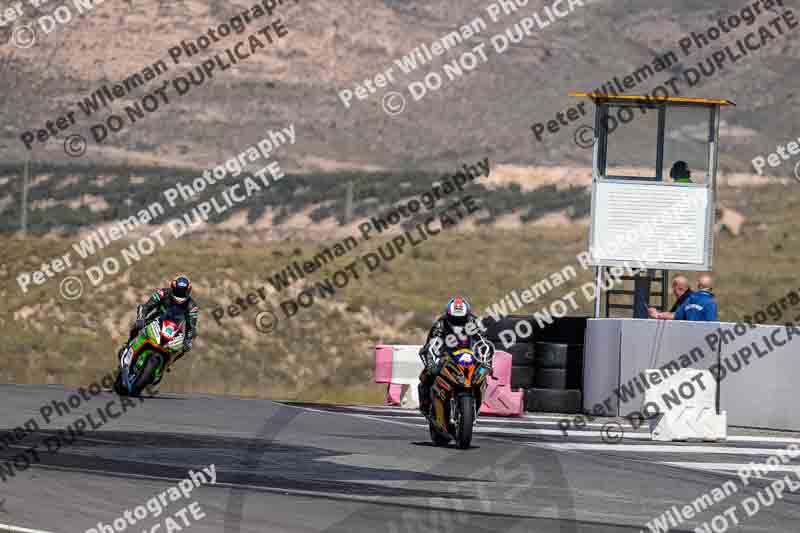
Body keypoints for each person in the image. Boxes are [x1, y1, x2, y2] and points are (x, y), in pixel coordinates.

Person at [417, 296, 488, 415]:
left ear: (467, 315)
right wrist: (431, 363)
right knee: (426, 375)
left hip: (469, 356)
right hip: (446, 356)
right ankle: (426, 404)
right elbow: (430, 344)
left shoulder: (473, 322)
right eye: (454, 319)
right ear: (448, 315)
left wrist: (486, 361)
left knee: (483, 375)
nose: (458, 322)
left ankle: (476, 402)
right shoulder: (441, 324)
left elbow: (484, 343)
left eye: (461, 319)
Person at [118, 275, 199, 370]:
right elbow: (145, 307)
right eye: (177, 291)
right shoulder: (163, 293)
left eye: (182, 292)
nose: (179, 295)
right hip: (156, 319)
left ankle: (169, 363)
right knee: (138, 325)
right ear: (172, 288)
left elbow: (192, 326)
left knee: (186, 346)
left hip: (175, 328)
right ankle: (128, 345)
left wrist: (188, 340)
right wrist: (141, 318)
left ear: (188, 291)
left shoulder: (192, 306)